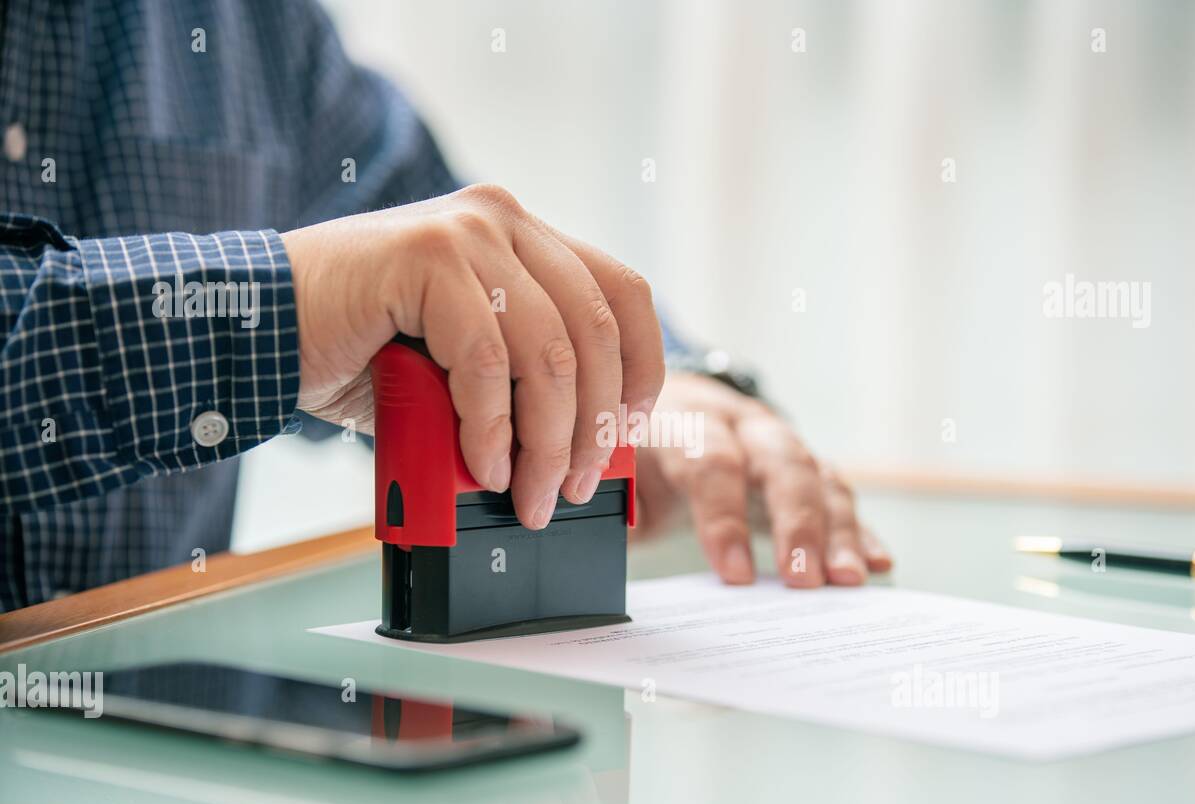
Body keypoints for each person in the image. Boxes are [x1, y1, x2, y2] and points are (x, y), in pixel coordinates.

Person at [0, 0, 890, 612]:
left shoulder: (247, 23)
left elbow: (424, 233)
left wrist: (673, 386)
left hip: (155, 789)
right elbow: (340, 280)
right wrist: (285, 308)